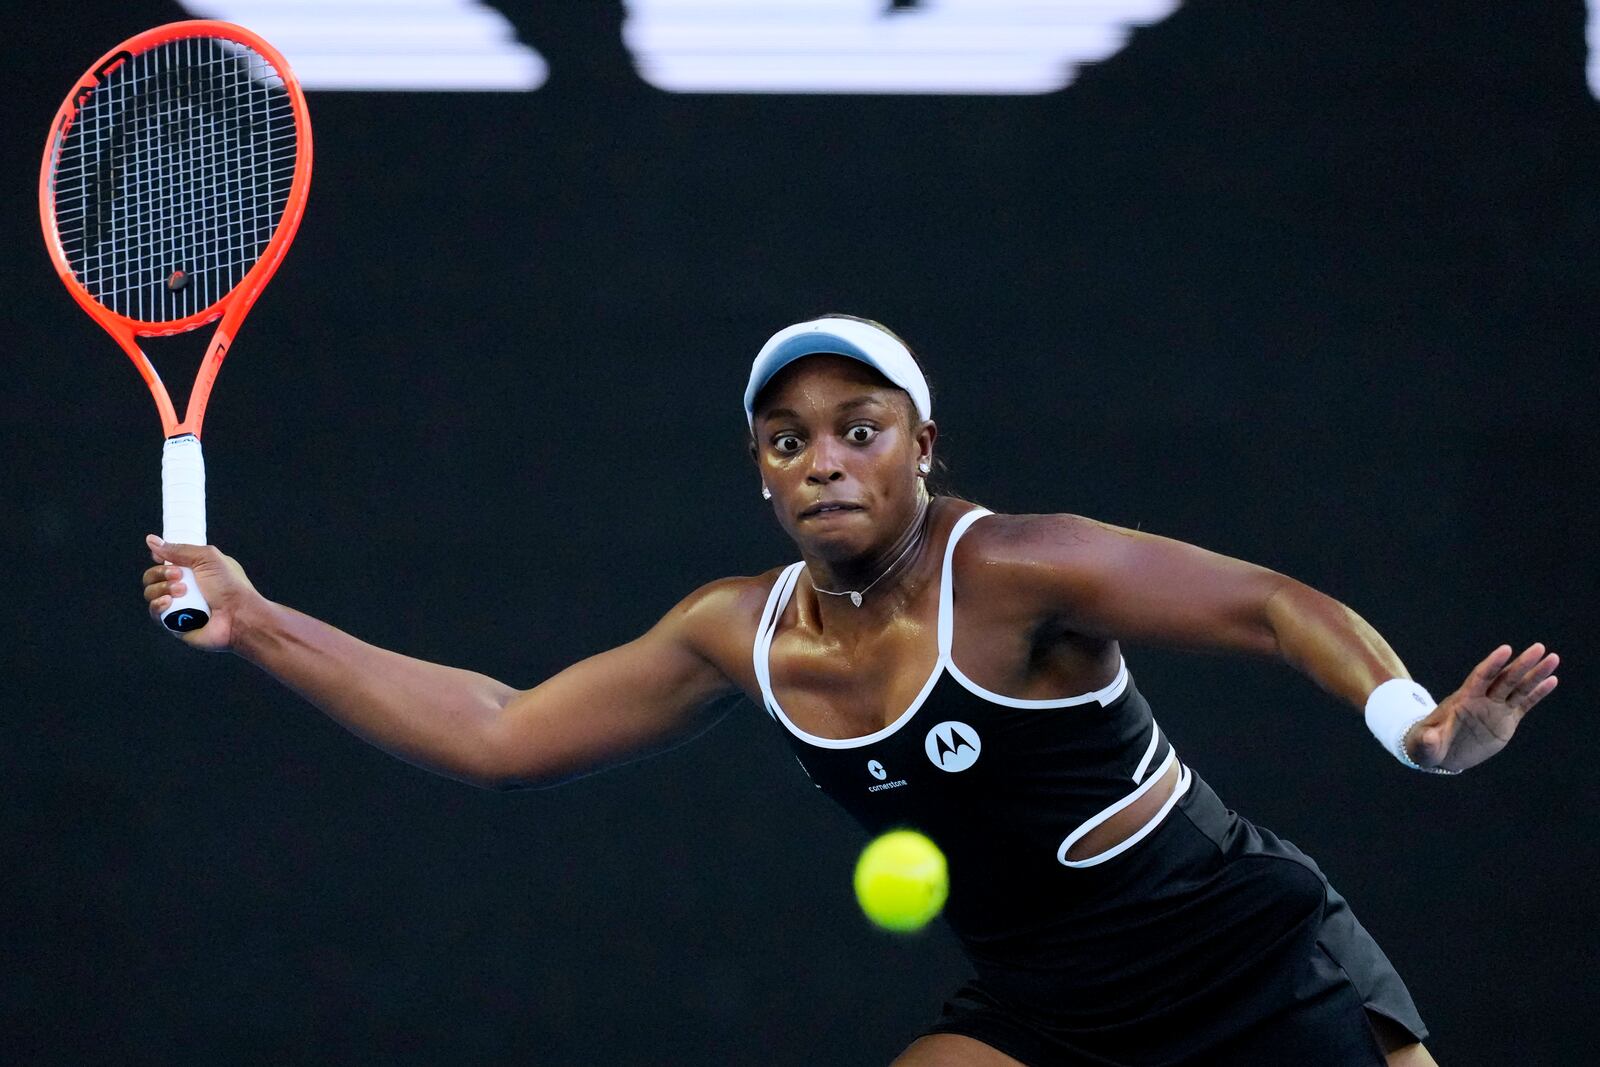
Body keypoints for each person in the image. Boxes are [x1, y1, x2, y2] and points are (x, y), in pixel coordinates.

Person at [141, 315, 1557, 1066]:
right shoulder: (733, 635)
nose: (822, 459)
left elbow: (1270, 604)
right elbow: (503, 734)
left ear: (920, 446)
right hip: (1048, 1005)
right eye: (785, 438)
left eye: (857, 429)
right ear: (758, 471)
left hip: (1248, 963)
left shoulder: (1017, 567)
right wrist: (261, 622)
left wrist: (1414, 724)